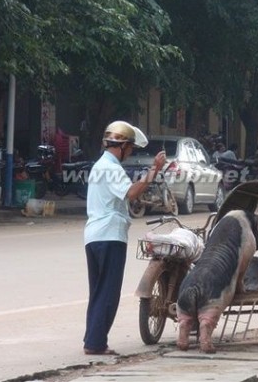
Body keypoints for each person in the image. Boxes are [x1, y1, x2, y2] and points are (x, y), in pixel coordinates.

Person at [83, 120, 166, 355]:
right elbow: (131, 193)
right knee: (108, 292)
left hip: (94, 235)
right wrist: (155, 169)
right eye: (130, 149)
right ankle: (96, 343)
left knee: (98, 290)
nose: (129, 154)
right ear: (122, 146)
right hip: (109, 235)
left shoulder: (100, 166)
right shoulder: (111, 168)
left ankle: (92, 339)